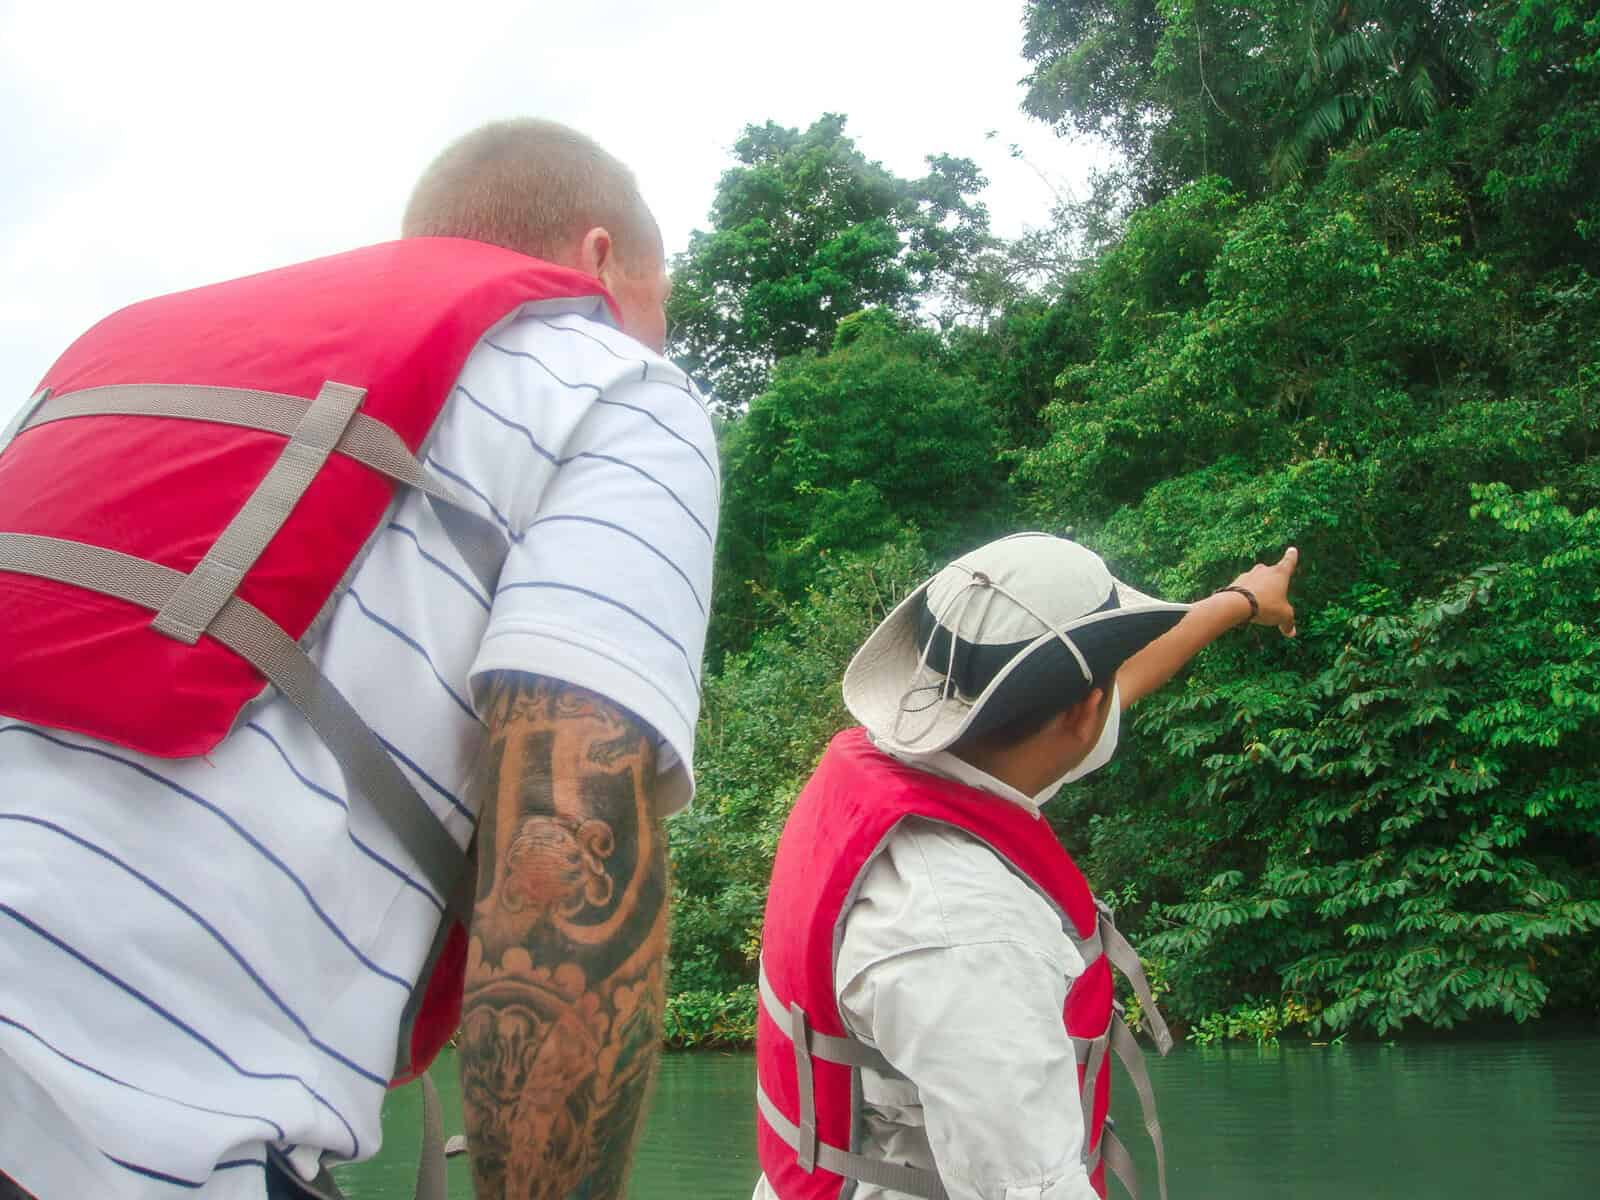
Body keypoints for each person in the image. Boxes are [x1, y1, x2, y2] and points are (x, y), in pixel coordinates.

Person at [0, 119, 718, 1200]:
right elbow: (567, 819)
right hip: (135, 1144)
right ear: (601, 259)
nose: (658, 341)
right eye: (664, 304)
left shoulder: (117, 356)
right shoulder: (617, 382)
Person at [752, 532, 1299, 1200]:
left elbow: (1117, 685)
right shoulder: (970, 934)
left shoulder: (924, 763)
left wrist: (1241, 600)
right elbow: (1030, 1189)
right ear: (1081, 714)